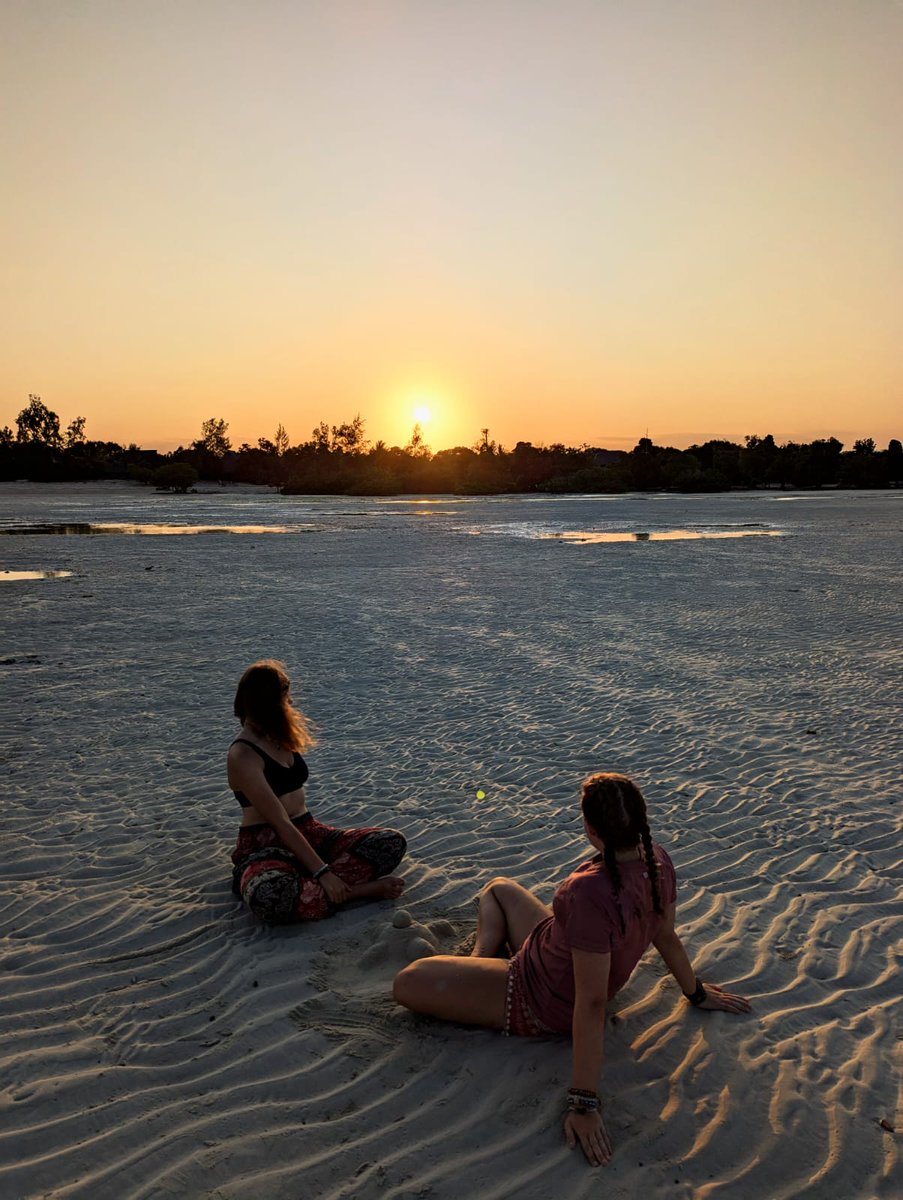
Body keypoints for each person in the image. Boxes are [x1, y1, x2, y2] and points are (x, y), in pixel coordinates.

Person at [392, 772, 751, 1167]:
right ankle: (480, 962)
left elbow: (593, 1003)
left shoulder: (586, 892)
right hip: (548, 948)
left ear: (591, 829)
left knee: (407, 982)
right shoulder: (659, 862)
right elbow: (666, 936)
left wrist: (584, 1103)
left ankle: (484, 972)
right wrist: (694, 992)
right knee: (497, 888)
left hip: (537, 997)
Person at [228, 660, 406, 923]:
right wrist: (323, 872)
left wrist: (321, 868)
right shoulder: (242, 754)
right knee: (271, 897)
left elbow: (297, 824)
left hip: (309, 831)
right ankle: (354, 891)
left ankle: (315, 887)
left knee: (390, 842)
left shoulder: (278, 736)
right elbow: (280, 822)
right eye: (285, 696)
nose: (290, 702)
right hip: (266, 844)